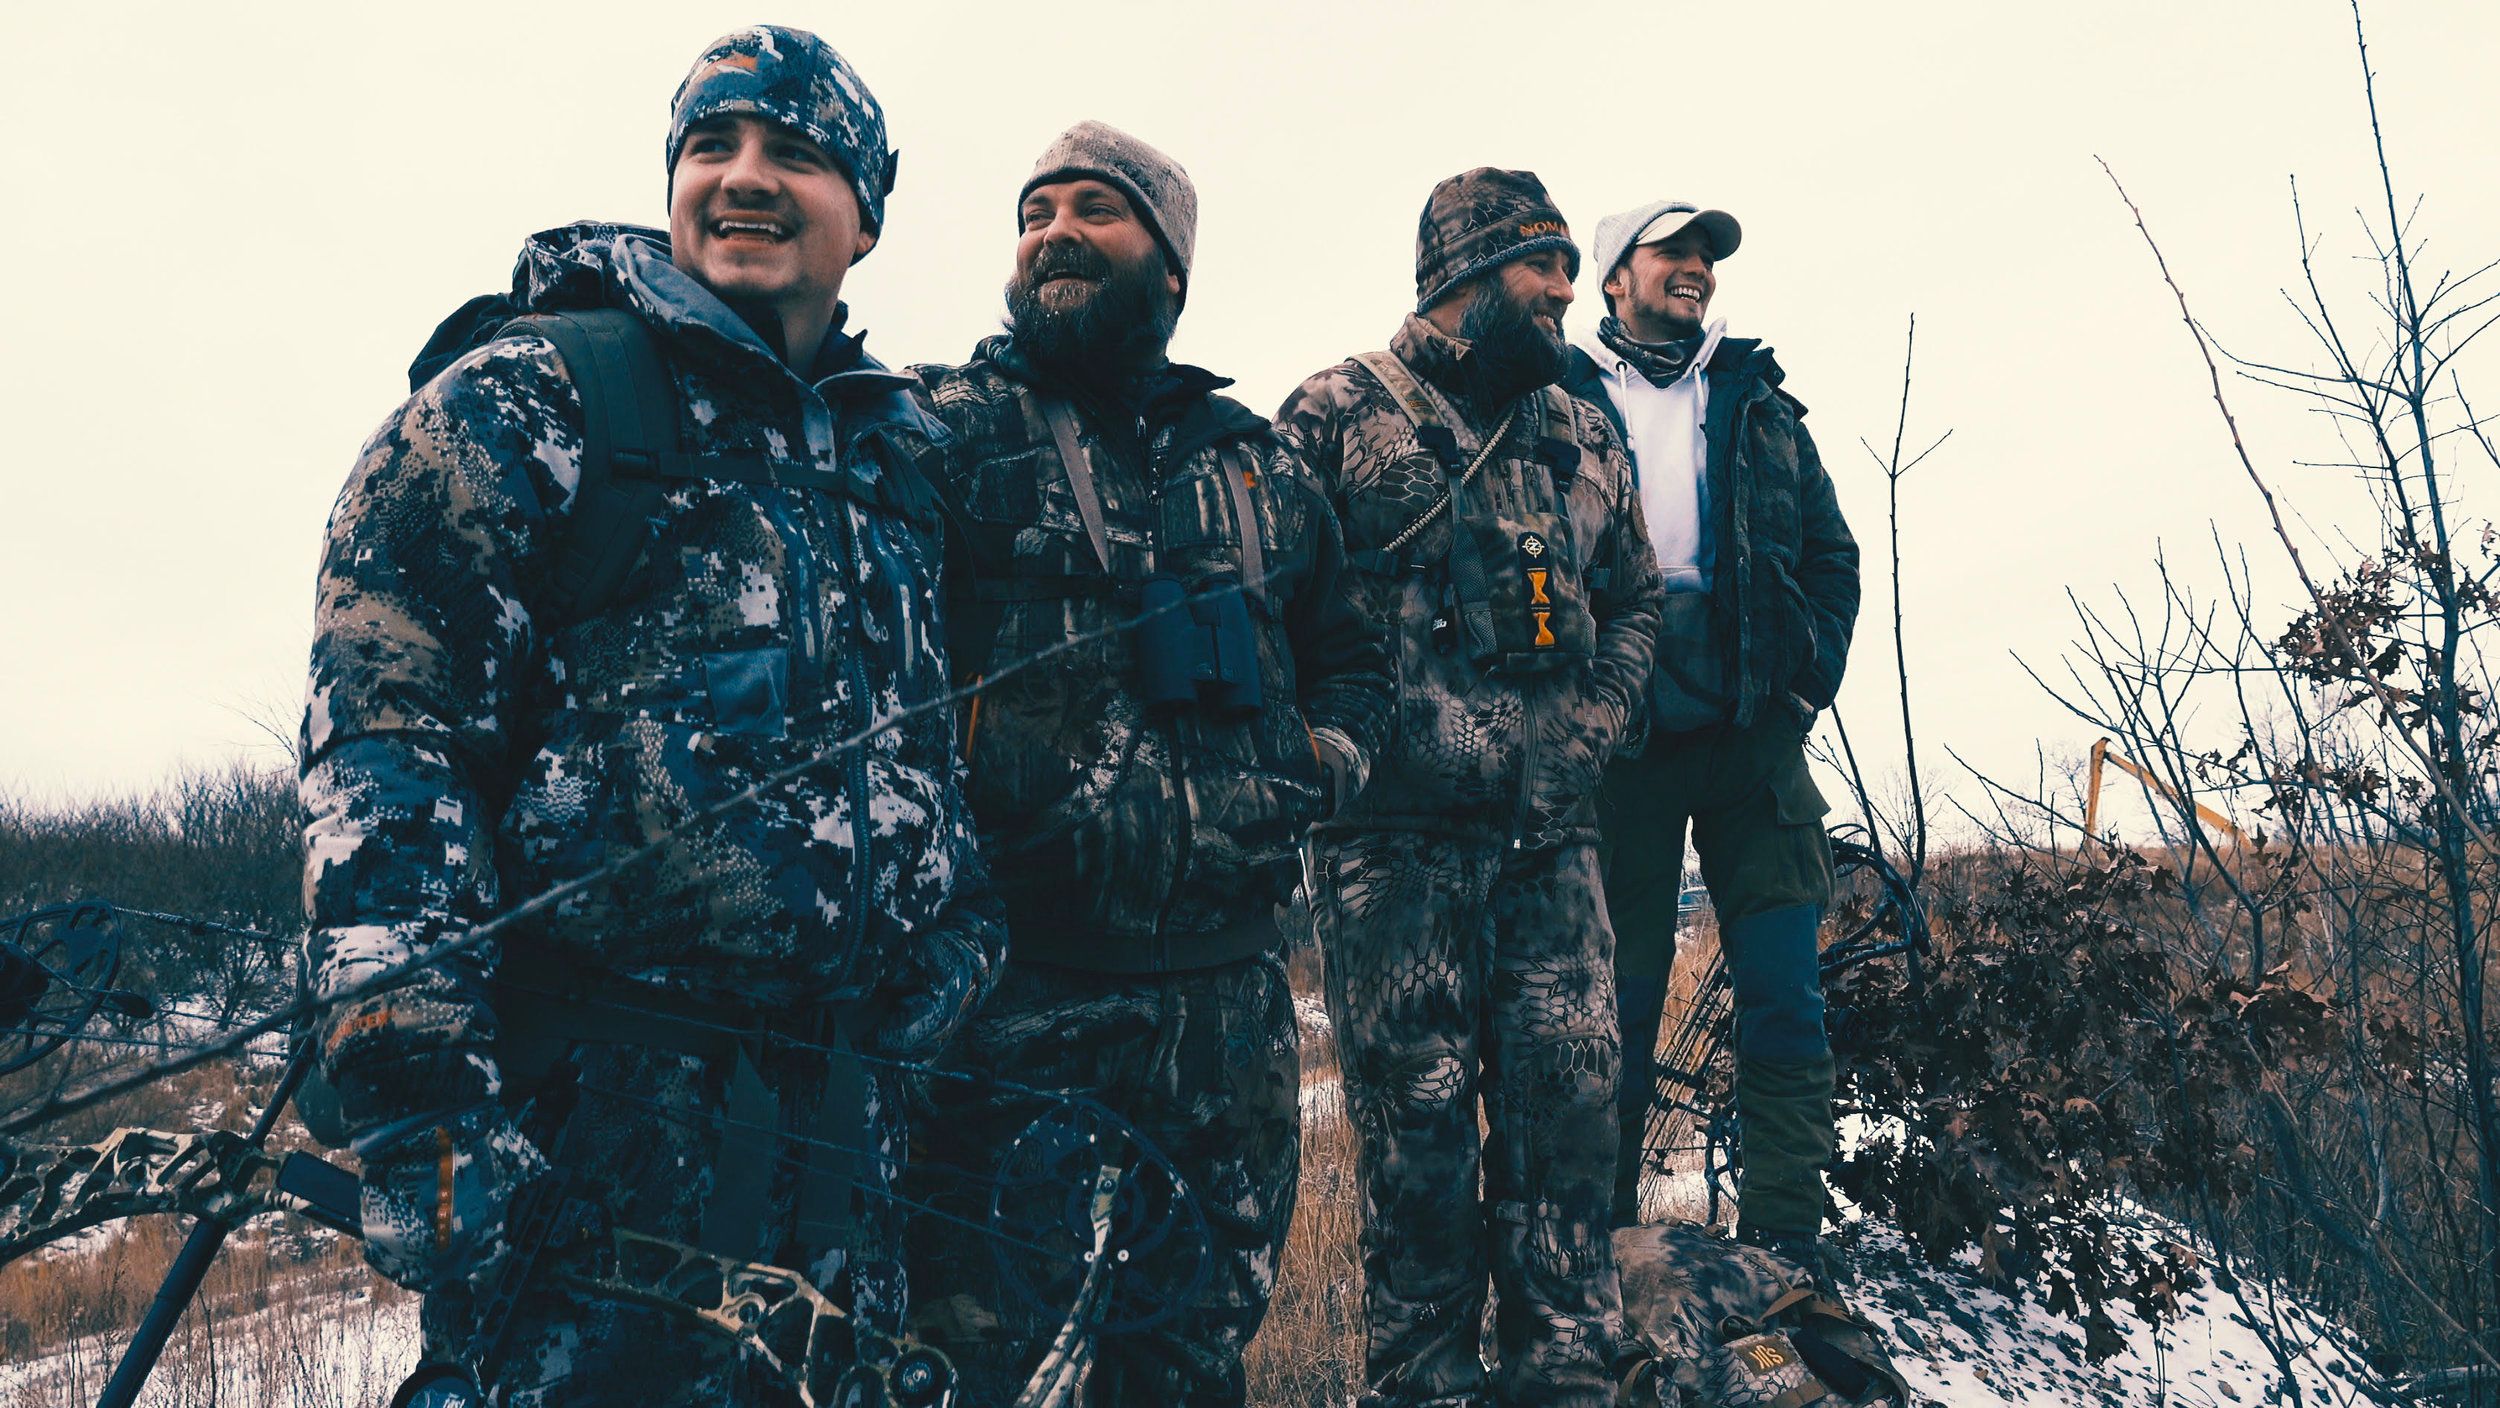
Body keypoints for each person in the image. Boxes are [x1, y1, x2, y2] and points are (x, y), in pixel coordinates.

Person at [298, 27, 1001, 1405]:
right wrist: (421, 1097)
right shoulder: (532, 396)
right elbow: (387, 749)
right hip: (590, 1140)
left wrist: (956, 949)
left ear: (866, 213)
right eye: (709, 146)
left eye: (794, 154)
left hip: (845, 1136)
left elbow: (930, 747)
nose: (743, 179)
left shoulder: (897, 458)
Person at [895, 122, 1394, 1406]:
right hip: (1015, 1003)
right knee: (986, 1370)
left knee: (1188, 1355)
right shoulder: (932, 435)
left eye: (1096, 210)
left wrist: (1321, 759)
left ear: (1169, 267)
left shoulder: (1259, 462)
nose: (1054, 229)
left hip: (1230, 1015)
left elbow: (1354, 660)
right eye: (1034, 210)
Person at [1273, 167, 1664, 1408]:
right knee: (1418, 1154)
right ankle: (1425, 1388)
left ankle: (1567, 1386)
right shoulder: (1334, 414)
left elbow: (1638, 598)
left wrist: (1596, 723)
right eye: (1541, 267)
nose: (1565, 290)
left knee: (1569, 1137)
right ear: (1463, 276)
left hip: (1554, 854)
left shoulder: (1583, 426)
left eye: (1565, 266)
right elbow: (1270, 612)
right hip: (1394, 861)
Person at [1558, 200, 1860, 1269]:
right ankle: (1603, 1243)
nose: (1693, 270)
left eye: (1704, 256)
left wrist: (1801, 684)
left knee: (1784, 989)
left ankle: (1785, 1236)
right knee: (1618, 1004)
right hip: (1621, 747)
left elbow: (1833, 554)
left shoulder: (1757, 400)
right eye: (1669, 253)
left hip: (1750, 742)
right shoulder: (1555, 397)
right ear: (1614, 279)